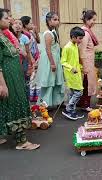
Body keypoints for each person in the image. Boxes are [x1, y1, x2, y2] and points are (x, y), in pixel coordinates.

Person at [0, 8, 40, 150]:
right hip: (8, 78)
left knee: (9, 105)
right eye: (6, 18)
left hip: (15, 77)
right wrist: (2, 85)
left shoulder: (5, 35)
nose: (10, 20)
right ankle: (21, 142)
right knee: (16, 104)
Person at [36, 12, 64, 107]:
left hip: (55, 58)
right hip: (49, 60)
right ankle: (44, 104)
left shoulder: (54, 31)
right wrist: (52, 63)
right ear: (49, 21)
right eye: (55, 19)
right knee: (49, 81)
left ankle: (54, 102)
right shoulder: (47, 33)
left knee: (54, 80)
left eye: (58, 19)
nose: (57, 21)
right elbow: (48, 50)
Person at [61, 27, 85, 120]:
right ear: (73, 37)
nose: (81, 40)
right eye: (80, 38)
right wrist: (71, 68)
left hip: (77, 73)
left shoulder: (75, 45)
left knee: (73, 93)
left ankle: (72, 112)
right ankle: (68, 108)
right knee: (79, 92)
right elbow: (63, 61)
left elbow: (75, 60)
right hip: (71, 74)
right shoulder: (67, 47)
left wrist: (81, 68)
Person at [78, 10, 99, 111]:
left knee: (87, 83)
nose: (94, 22)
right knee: (87, 83)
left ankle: (82, 102)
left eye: (95, 20)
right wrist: (84, 65)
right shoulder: (85, 33)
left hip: (89, 61)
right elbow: (82, 50)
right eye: (92, 20)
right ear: (86, 20)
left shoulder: (87, 31)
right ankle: (85, 104)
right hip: (87, 62)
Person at [10, 18, 34, 99]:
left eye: (20, 24)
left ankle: (27, 101)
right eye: (15, 23)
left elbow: (28, 53)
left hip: (24, 63)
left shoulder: (24, 38)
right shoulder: (9, 37)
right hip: (13, 63)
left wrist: (30, 66)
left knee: (26, 82)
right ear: (12, 26)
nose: (18, 25)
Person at [21, 16, 41, 102]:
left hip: (35, 57)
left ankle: (33, 97)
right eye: (30, 23)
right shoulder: (24, 34)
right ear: (25, 24)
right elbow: (27, 49)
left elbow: (38, 41)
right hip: (29, 58)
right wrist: (32, 60)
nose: (32, 24)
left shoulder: (31, 32)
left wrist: (36, 32)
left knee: (35, 78)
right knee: (29, 77)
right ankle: (29, 98)